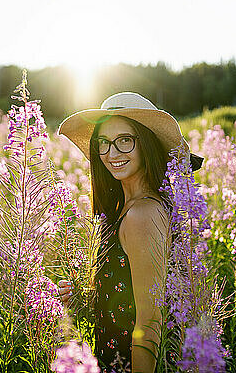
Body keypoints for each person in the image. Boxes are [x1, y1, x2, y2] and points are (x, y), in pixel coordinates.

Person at [57, 92, 203, 373]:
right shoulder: (132, 208)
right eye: (103, 142)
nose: (112, 153)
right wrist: (85, 297)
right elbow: (129, 295)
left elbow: (149, 322)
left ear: (146, 144)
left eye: (125, 140)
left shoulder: (141, 216)